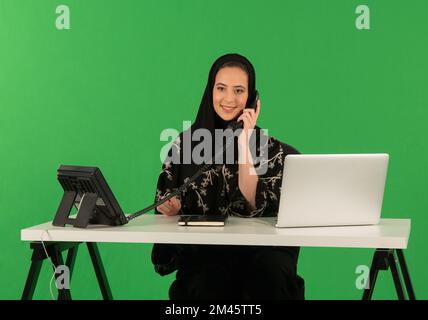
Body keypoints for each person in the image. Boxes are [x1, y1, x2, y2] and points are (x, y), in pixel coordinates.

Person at [151, 53, 305, 300]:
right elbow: (163, 208)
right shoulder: (185, 146)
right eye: (221, 88)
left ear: (252, 98)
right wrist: (170, 210)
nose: (229, 99)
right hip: (206, 257)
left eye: (239, 90)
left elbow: (252, 202)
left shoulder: (272, 153)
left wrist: (245, 139)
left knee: (270, 274)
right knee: (209, 279)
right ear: (210, 90)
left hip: (261, 257)